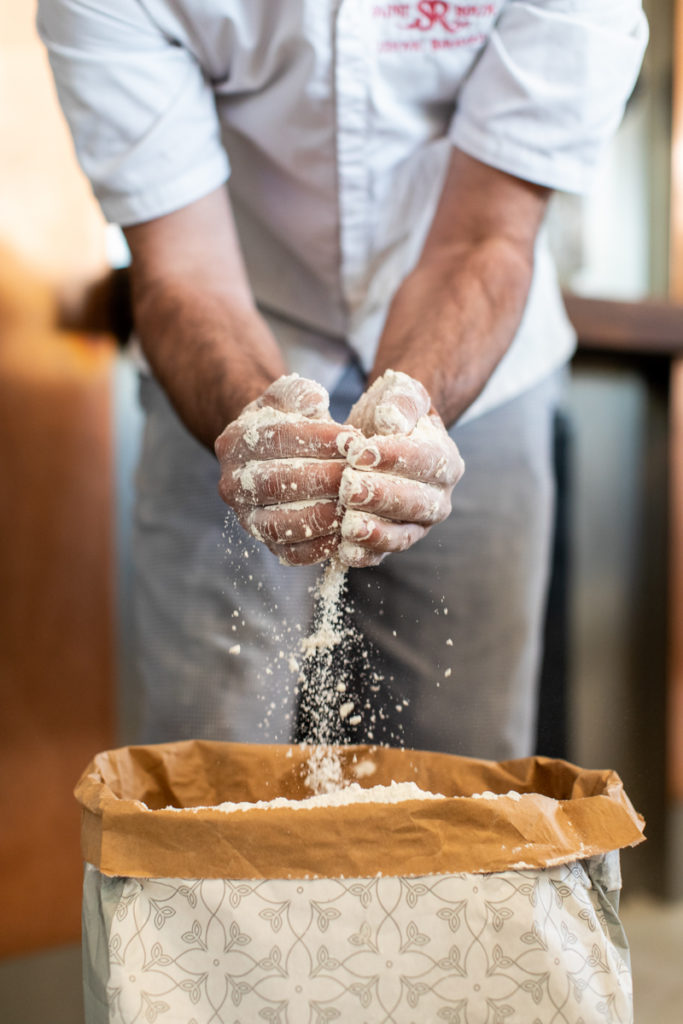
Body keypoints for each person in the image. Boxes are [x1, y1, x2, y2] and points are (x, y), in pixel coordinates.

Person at [38, 0, 647, 758]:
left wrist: (413, 408)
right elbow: (182, 271)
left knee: (459, 770)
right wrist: (254, 424)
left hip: (482, 361)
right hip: (224, 344)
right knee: (208, 761)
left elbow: (485, 237)